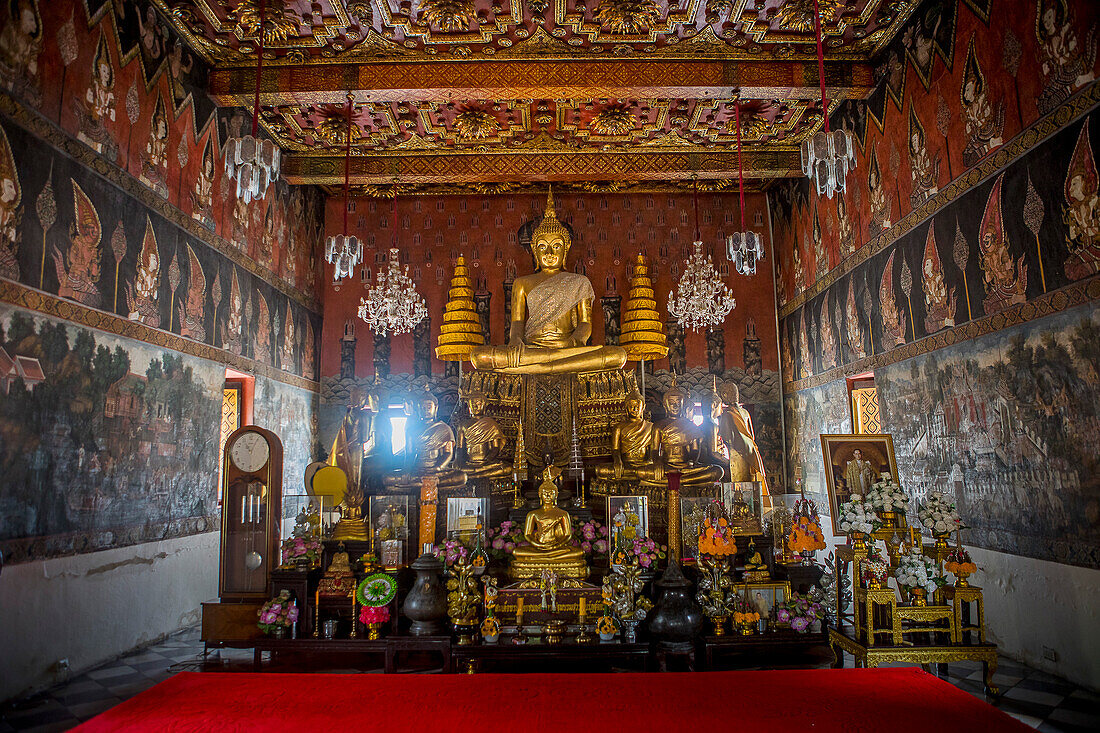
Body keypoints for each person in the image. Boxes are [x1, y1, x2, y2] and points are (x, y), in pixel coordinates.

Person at [470, 189, 626, 374]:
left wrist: (573, 342)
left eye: (556, 246)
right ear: (535, 251)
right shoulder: (522, 283)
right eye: (543, 247)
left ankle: (540, 367)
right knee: (478, 356)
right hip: (531, 349)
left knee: (618, 355)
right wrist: (515, 341)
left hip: (567, 349)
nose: (550, 253)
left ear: (565, 250)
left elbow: (585, 324)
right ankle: (548, 366)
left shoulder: (579, 282)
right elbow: (517, 322)